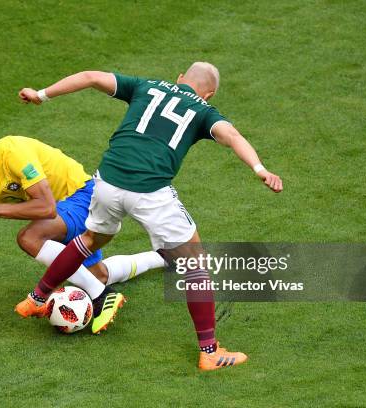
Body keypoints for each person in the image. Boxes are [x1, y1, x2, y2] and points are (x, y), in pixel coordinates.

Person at [15, 62, 283, 370]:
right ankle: (209, 352)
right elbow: (232, 135)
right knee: (195, 266)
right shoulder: (203, 111)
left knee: (89, 240)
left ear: (180, 78)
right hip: (150, 193)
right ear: (210, 94)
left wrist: (41, 94)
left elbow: (89, 77)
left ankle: (36, 299)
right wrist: (260, 169)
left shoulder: (145, 86)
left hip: (106, 182)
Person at [0, 136, 165, 333]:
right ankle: (165, 256)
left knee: (29, 238)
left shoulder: (12, 152)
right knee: (98, 274)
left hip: (83, 196)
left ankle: (103, 295)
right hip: (61, 218)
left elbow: (47, 208)